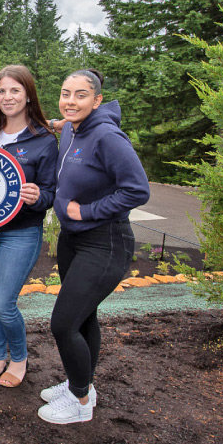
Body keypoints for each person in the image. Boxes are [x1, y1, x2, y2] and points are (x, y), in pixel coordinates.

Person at [38, 69, 150, 424]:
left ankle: (80, 402)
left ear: (97, 100)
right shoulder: (73, 126)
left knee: (63, 324)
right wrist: (55, 123)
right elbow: (63, 121)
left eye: (81, 95)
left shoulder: (107, 136)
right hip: (74, 239)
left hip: (105, 243)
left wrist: (86, 211)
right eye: (65, 93)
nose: (71, 101)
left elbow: (137, 190)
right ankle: (80, 382)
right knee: (85, 316)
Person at [0, 65, 58, 388]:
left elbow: (50, 193)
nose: (7, 97)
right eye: (2, 91)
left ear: (28, 96)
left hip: (21, 232)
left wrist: (38, 196)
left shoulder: (44, 140)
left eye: (15, 91)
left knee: (5, 303)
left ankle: (18, 360)